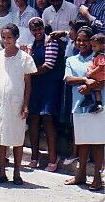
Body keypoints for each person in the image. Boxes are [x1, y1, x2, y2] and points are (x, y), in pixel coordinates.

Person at [0, 23, 37, 185]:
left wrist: (25, 104)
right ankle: (1, 172)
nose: (6, 40)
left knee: (17, 139)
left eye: (9, 37)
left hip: (16, 103)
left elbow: (28, 84)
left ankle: (17, 172)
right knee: (0, 137)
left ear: (16, 37)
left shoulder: (25, 58)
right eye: (3, 37)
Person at [64, 27, 104, 191]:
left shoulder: (99, 58)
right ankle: (80, 175)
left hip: (98, 106)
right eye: (78, 40)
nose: (81, 43)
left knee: (98, 142)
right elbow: (68, 78)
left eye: (85, 40)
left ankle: (97, 177)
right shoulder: (71, 60)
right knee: (83, 142)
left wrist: (91, 86)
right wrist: (85, 80)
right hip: (79, 105)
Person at [27, 17, 64, 172]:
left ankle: (52, 158)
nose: (37, 32)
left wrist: (29, 72)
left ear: (44, 28)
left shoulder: (51, 42)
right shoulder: (32, 46)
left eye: (39, 29)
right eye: (34, 30)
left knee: (48, 118)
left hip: (50, 85)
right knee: (34, 118)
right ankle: (34, 157)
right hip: (35, 86)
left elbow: (48, 65)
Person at [82, 33, 104, 113]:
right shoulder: (96, 55)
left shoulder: (101, 56)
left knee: (88, 86)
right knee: (96, 90)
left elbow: (101, 66)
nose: (93, 48)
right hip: (97, 77)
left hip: (99, 78)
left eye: (95, 46)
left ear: (102, 46)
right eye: (92, 46)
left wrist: (91, 73)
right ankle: (97, 103)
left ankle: (91, 100)